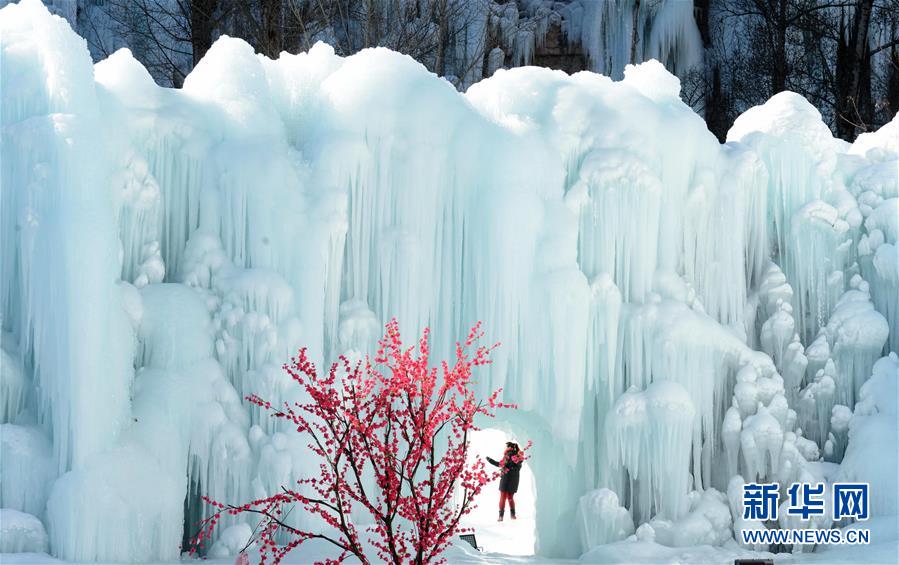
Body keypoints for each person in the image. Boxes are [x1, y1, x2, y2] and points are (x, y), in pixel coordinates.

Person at [486, 441, 523, 522]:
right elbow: (517, 467)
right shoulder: (519, 457)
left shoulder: (508, 454)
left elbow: (501, 464)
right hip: (515, 479)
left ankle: (501, 516)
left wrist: (490, 460)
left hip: (506, 477)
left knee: (503, 497)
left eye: (506, 446)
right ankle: (513, 515)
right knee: (510, 497)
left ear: (509, 447)